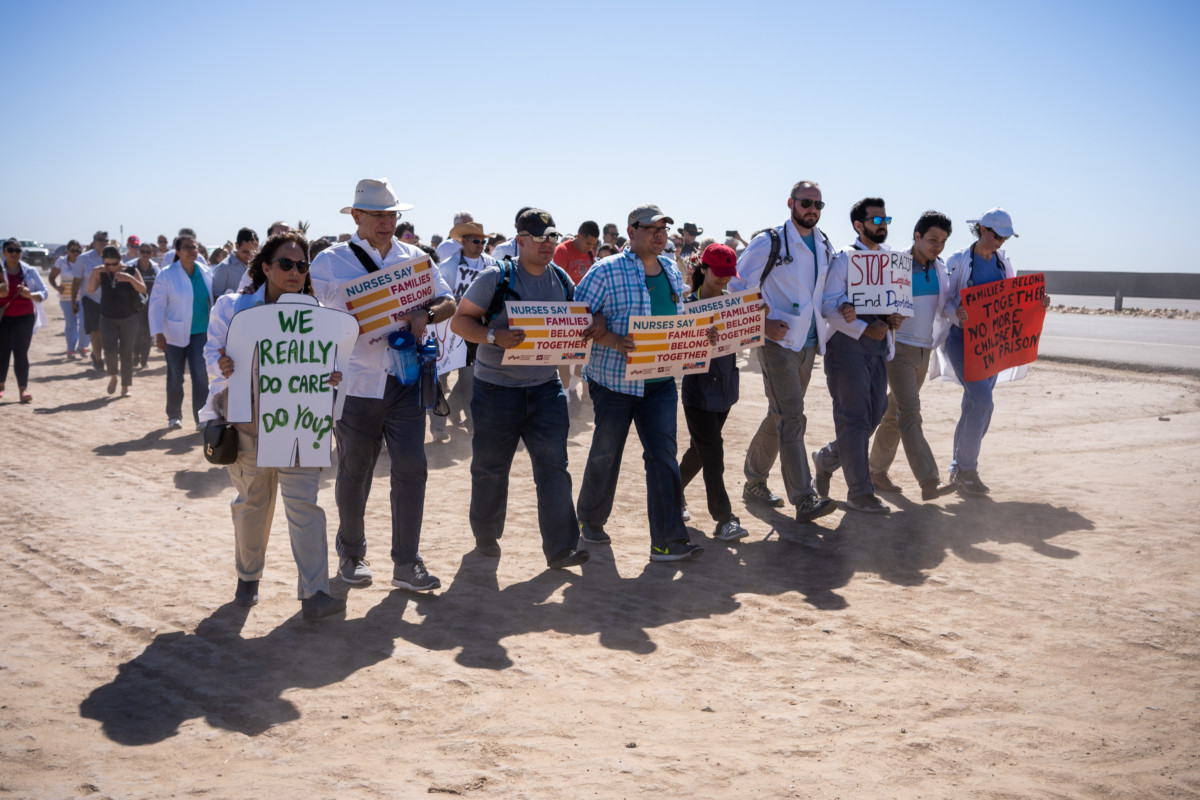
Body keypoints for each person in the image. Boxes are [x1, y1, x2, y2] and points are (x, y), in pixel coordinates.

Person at [309, 178, 456, 592]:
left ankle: (407, 563)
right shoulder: (329, 262)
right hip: (355, 384)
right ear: (356, 216)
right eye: (377, 214)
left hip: (405, 380)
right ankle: (352, 554)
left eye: (392, 214)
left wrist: (427, 314)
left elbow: (448, 301)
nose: (386, 221)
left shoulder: (416, 258)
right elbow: (307, 315)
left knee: (413, 468)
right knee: (355, 472)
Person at [200, 232, 346, 621]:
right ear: (265, 267)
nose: (295, 272)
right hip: (247, 429)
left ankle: (315, 593)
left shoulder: (315, 313)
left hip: (299, 427)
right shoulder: (232, 308)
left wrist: (332, 376)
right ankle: (248, 579)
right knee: (252, 506)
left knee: (306, 508)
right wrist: (223, 364)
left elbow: (330, 363)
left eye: (302, 265)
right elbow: (211, 353)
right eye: (286, 264)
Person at [450, 208, 594, 569]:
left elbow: (578, 319)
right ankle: (485, 534)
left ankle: (562, 547)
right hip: (496, 390)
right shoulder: (494, 277)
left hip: (545, 389)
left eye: (552, 237)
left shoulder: (561, 280)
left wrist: (590, 329)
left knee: (554, 468)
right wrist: (494, 336)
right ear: (521, 239)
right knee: (490, 467)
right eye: (539, 237)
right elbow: (459, 322)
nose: (548, 244)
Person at [575, 204, 704, 562]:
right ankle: (589, 519)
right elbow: (577, 316)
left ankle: (667, 541)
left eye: (663, 228)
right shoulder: (606, 271)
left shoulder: (670, 270)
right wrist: (612, 337)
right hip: (614, 381)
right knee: (606, 453)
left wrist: (699, 332)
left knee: (662, 456)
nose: (660, 234)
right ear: (632, 233)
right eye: (651, 228)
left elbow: (678, 316)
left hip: (661, 382)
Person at [729, 180, 836, 523]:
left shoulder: (823, 243)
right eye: (806, 203)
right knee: (792, 417)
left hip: (807, 345)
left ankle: (754, 481)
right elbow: (737, 286)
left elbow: (826, 293)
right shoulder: (770, 241)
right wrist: (762, 325)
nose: (812, 210)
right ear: (791, 203)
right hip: (776, 344)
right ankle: (804, 498)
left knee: (780, 414)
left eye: (818, 205)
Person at [940, 208, 1049, 494]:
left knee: (973, 405)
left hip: (991, 346)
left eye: (1006, 237)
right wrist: (958, 314)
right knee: (982, 401)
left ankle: (958, 469)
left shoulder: (1004, 263)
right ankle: (967, 469)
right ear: (982, 230)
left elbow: (1012, 300)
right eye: (998, 235)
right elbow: (945, 302)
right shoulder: (957, 261)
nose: (1002, 241)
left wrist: (1037, 302)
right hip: (962, 342)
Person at [813, 198, 904, 514]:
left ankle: (826, 458)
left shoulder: (891, 261)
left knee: (876, 412)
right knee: (853, 419)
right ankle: (860, 492)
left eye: (885, 218)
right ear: (858, 225)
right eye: (876, 220)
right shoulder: (845, 260)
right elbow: (829, 306)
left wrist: (894, 318)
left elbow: (895, 302)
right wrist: (863, 326)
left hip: (879, 349)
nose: (882, 224)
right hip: (847, 348)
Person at [867, 212, 958, 501]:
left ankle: (873, 469)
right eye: (933, 239)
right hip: (898, 348)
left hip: (924, 349)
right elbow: (870, 296)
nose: (938, 246)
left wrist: (959, 313)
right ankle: (929, 480)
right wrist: (885, 316)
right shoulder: (895, 264)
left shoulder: (940, 268)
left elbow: (946, 305)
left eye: (943, 241)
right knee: (910, 413)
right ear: (916, 236)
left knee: (894, 413)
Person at [678, 244, 748, 542]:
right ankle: (724, 518)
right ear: (703, 269)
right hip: (698, 391)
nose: (723, 280)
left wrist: (752, 321)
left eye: (727, 275)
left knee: (701, 450)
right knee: (714, 452)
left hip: (726, 390)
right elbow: (676, 350)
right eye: (717, 273)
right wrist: (696, 337)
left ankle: (672, 492)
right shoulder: (684, 306)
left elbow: (744, 339)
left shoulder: (733, 304)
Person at [430, 220, 497, 440]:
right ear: (464, 241)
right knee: (440, 378)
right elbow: (438, 296)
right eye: (476, 240)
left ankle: (471, 424)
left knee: (470, 378)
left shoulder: (491, 264)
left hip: (475, 328)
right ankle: (438, 427)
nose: (480, 244)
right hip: (445, 330)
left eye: (483, 241)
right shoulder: (448, 266)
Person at [148, 232, 213, 429]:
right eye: (187, 247)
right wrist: (157, 333)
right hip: (173, 334)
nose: (193, 251)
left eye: (195, 247)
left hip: (201, 332)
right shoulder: (167, 274)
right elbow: (156, 305)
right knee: (175, 375)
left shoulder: (205, 271)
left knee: (200, 375)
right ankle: (174, 416)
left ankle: (201, 418)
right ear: (177, 251)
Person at [87, 245, 146, 397]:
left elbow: (143, 289)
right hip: (107, 317)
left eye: (114, 264)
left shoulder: (132, 270)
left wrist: (130, 278)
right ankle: (113, 377)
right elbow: (90, 290)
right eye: (107, 264)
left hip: (129, 317)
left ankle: (125, 386)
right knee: (110, 351)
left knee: (126, 353)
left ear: (120, 259)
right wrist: (95, 272)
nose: (111, 267)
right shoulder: (101, 273)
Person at [0, 239, 48, 403]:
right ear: (3, 252)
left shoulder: (30, 271)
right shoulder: (0, 270)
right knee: (2, 352)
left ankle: (23, 389)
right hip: (3, 317)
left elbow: (44, 292)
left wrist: (30, 294)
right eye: (10, 250)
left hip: (24, 317)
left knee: (21, 352)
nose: (14, 253)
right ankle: (1, 387)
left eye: (17, 250)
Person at [72, 231, 111, 371]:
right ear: (94, 242)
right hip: (90, 298)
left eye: (105, 240)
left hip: (108, 299)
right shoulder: (83, 259)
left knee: (108, 331)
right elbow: (76, 281)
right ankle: (99, 359)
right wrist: (73, 301)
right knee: (95, 331)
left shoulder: (112, 256)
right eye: (100, 240)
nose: (103, 242)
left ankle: (97, 354)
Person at [48, 239, 86, 358]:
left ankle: (82, 346)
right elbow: (51, 277)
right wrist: (57, 288)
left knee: (85, 323)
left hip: (83, 297)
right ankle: (70, 349)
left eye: (78, 250)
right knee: (71, 323)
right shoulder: (61, 261)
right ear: (67, 251)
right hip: (66, 298)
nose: (75, 253)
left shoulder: (83, 261)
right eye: (72, 250)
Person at [129, 242, 160, 369]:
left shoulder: (156, 267)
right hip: (135, 305)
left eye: (148, 252)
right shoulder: (131, 266)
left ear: (152, 253)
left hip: (151, 305)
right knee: (137, 332)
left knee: (147, 333)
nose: (145, 254)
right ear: (138, 252)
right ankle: (136, 356)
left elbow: (160, 286)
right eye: (143, 251)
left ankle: (144, 360)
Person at [210, 228, 259, 298]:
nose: (249, 256)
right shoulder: (223, 268)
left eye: (252, 252)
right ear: (237, 246)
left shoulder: (256, 266)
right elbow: (216, 298)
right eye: (245, 252)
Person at [553, 220, 599, 285]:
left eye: (593, 245)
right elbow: (557, 282)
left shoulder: (590, 252)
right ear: (579, 236)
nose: (590, 248)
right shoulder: (562, 251)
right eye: (588, 243)